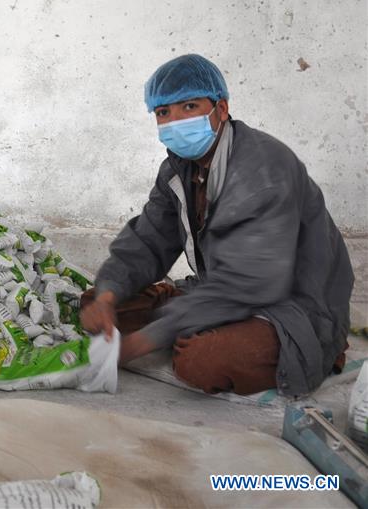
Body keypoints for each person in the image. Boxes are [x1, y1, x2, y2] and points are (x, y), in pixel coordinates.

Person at [80, 53, 353, 397]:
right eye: (164, 112)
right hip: (221, 291)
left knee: (202, 362)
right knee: (98, 305)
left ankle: (307, 346)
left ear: (221, 109)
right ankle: (184, 317)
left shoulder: (264, 169)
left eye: (189, 107)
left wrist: (140, 343)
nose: (174, 120)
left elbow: (248, 283)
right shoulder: (179, 169)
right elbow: (148, 240)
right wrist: (107, 296)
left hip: (291, 307)